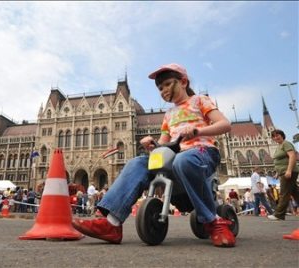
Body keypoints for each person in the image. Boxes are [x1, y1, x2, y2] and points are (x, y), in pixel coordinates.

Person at [72, 63, 235, 247]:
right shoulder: (169, 114)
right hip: (175, 159)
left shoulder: (200, 100)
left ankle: (213, 222)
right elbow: (164, 145)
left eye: (167, 84)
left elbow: (225, 124)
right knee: (138, 162)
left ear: (183, 81)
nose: (163, 90)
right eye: (160, 88)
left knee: (183, 160)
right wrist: (152, 145)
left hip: (202, 154)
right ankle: (111, 223)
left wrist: (197, 131)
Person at [268, 129, 299, 221]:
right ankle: (279, 214)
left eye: (277, 135)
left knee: (284, 193)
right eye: (274, 136)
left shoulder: (286, 144)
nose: (276, 137)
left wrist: (289, 170)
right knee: (296, 193)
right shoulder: (279, 146)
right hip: (283, 171)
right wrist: (277, 173)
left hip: (289, 171)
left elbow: (292, 156)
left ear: (282, 135)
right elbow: (280, 161)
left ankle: (279, 214)